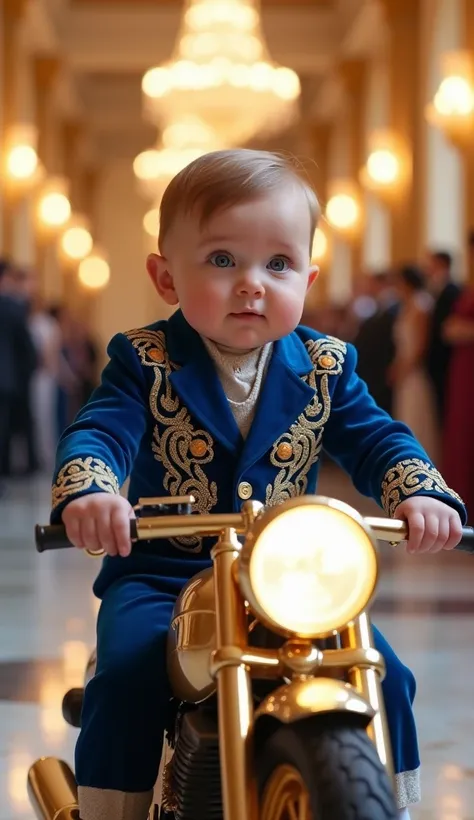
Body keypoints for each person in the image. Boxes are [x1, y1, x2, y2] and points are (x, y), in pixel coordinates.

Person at [50, 150, 466, 820]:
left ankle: (389, 804)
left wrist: (419, 491)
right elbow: (102, 430)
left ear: (308, 275)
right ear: (165, 277)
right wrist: (92, 490)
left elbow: (376, 436)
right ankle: (110, 809)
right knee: (126, 674)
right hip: (163, 572)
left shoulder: (327, 366)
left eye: (278, 264)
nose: (252, 284)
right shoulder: (145, 359)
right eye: (222, 260)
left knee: (384, 673)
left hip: (287, 575)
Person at [390, 265, 439, 461]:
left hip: (414, 372)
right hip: (403, 368)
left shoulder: (421, 305)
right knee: (404, 416)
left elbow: (420, 345)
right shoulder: (406, 305)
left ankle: (422, 463)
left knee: (416, 419)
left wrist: (404, 369)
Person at [424, 250, 462, 425]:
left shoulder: (453, 290)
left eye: (430, 263)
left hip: (446, 360)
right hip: (436, 362)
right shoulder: (433, 290)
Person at [354, 271, 399, 415]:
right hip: (373, 368)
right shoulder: (377, 305)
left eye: (370, 283)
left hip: (381, 366)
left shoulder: (392, 306)